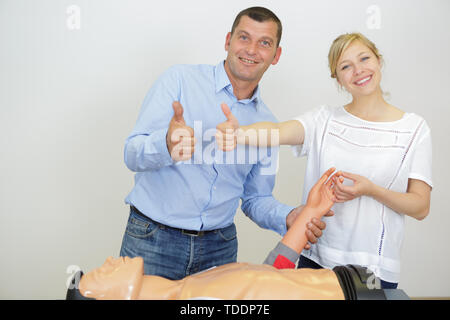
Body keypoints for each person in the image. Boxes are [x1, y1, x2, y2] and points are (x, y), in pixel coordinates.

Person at [120, 7, 330, 280]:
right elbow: (132, 154)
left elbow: (256, 198)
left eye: (264, 43)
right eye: (244, 38)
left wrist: (288, 217)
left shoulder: (268, 124)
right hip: (152, 239)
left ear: (276, 55)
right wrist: (166, 146)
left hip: (218, 250)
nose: (252, 50)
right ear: (228, 41)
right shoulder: (179, 80)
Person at [216, 32, 432, 289]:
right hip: (315, 258)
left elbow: (420, 206)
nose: (358, 70)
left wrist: (371, 190)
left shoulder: (414, 128)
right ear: (337, 78)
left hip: (372, 269)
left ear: (378, 60)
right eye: (345, 66)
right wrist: (239, 134)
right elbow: (278, 131)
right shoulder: (324, 120)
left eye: (364, 58)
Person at [70, 168, 370, 300]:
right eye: (99, 275)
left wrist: (310, 212)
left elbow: (270, 276)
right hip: (356, 291)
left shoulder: (192, 287)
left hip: (352, 282)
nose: (108, 261)